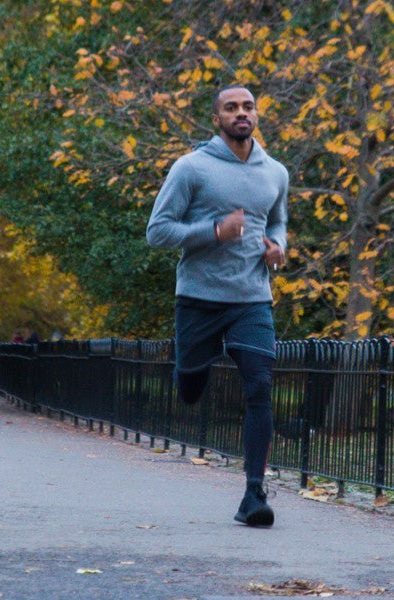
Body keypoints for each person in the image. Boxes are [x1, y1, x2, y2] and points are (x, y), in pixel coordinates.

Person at [146, 84, 288, 528]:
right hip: (199, 299)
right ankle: (190, 369)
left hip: (252, 298)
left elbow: (278, 219)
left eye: (248, 107)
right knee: (189, 390)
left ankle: (253, 495)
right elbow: (158, 231)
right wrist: (214, 231)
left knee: (260, 387)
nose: (241, 113)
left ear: (257, 114)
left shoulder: (275, 172)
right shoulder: (192, 168)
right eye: (231, 108)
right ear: (217, 118)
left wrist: (277, 248)